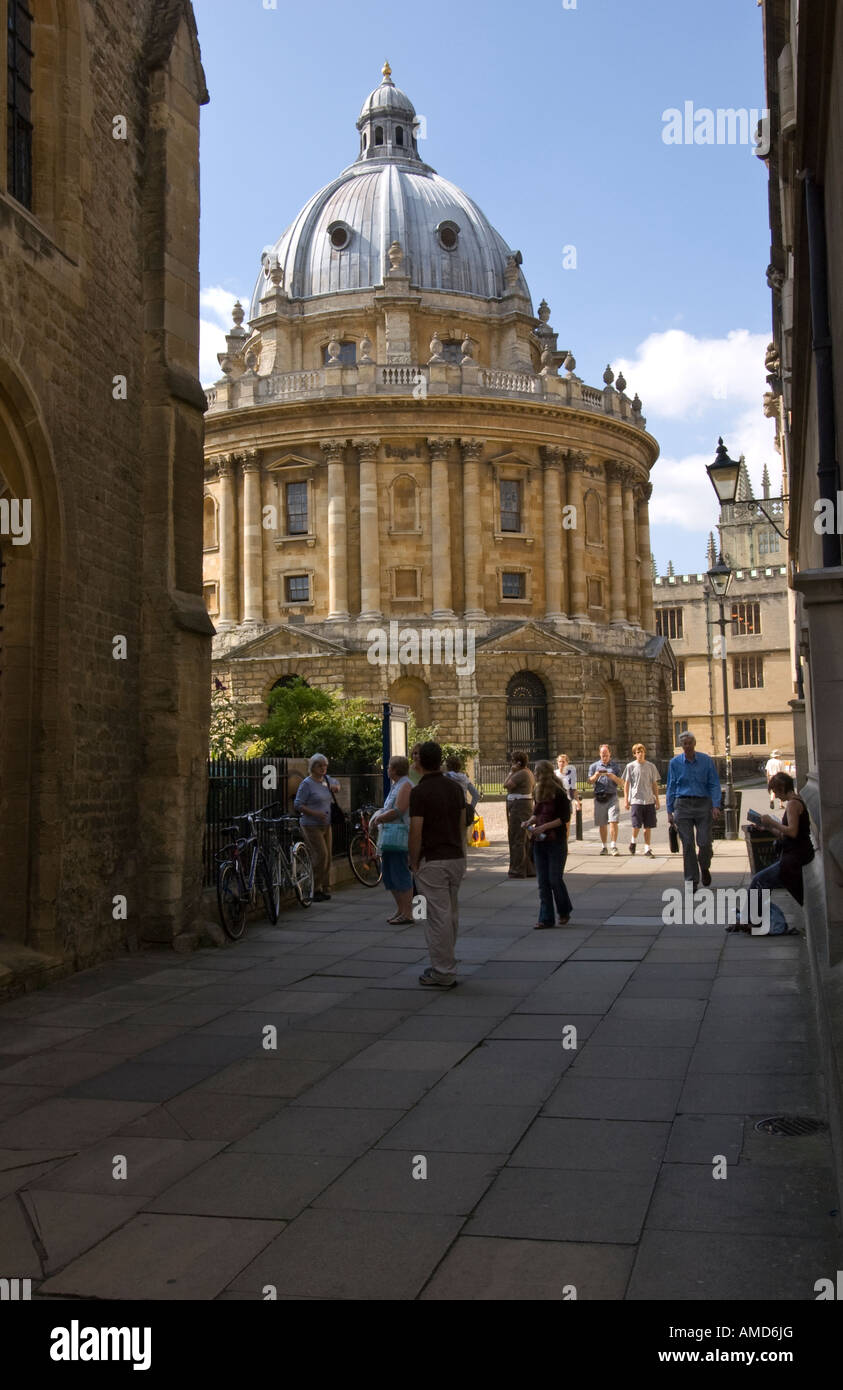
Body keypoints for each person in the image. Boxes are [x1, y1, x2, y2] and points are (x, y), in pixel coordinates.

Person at [408, 741, 467, 988]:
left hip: (433, 860)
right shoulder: (455, 788)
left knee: (437, 917)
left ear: (420, 761)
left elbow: (416, 831)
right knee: (450, 913)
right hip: (456, 857)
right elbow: (463, 823)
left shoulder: (419, 792)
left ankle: (443, 970)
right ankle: (446, 961)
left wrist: (413, 862)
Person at [730, 771, 814, 933]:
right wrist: (767, 827)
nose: (775, 796)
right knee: (760, 882)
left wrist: (771, 822)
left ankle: (752, 920)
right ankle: (752, 919)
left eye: (775, 791)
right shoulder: (795, 802)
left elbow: (792, 832)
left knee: (759, 881)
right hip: (794, 853)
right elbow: (785, 834)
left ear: (782, 788)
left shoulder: (792, 804)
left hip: (795, 857)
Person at [666, 731, 722, 891]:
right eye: (684, 744)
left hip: (703, 804)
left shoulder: (706, 761)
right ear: (681, 745)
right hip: (682, 805)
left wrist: (716, 805)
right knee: (688, 844)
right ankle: (691, 880)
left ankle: (704, 866)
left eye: (690, 743)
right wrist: (669, 811)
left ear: (694, 743)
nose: (687, 746)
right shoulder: (675, 763)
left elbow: (714, 783)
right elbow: (671, 786)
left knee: (704, 842)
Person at [524, 760, 573, 929]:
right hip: (540, 841)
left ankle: (564, 910)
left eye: (537, 771)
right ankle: (546, 918)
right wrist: (529, 822)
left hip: (556, 841)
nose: (535, 774)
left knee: (554, 879)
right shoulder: (538, 790)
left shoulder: (558, 793)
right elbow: (537, 814)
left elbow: (564, 818)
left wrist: (544, 827)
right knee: (543, 882)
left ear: (544, 773)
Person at [369, 755, 413, 924]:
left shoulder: (405, 785)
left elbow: (398, 810)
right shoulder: (397, 785)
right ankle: (400, 909)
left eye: (388, 767)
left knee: (400, 873)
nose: (387, 769)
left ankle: (407, 912)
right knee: (389, 874)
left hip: (399, 835)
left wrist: (379, 818)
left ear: (394, 769)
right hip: (389, 835)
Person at [293, 753, 340, 901]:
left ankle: (323, 888)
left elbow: (337, 784)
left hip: (326, 824)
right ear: (312, 767)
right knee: (321, 855)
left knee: (328, 857)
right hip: (311, 824)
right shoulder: (307, 784)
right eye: (320, 765)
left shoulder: (326, 780)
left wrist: (336, 787)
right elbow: (298, 804)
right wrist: (315, 813)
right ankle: (313, 888)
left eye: (325, 765)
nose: (323, 768)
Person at [623, 743, 661, 856]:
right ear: (634, 754)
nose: (640, 754)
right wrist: (626, 799)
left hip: (648, 799)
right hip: (636, 800)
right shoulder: (630, 766)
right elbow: (626, 784)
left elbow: (654, 784)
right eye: (638, 752)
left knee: (648, 826)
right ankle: (633, 841)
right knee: (636, 825)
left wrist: (657, 799)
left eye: (642, 751)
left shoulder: (651, 766)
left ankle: (647, 848)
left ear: (645, 752)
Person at [588, 744, 624, 855]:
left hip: (612, 796)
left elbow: (621, 783)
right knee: (602, 823)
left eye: (606, 754)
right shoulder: (594, 766)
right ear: (600, 754)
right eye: (603, 755)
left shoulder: (615, 766)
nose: (605, 757)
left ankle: (613, 845)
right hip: (599, 797)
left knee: (613, 821)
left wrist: (613, 777)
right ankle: (604, 846)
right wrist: (596, 776)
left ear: (610, 754)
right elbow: (589, 781)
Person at [504, 752, 536, 877]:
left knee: (517, 837)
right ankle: (528, 868)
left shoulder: (521, 773)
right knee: (524, 837)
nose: (511, 762)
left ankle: (517, 869)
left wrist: (511, 772)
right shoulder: (528, 772)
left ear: (518, 762)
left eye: (512, 760)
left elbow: (506, 785)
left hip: (519, 807)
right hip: (523, 805)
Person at [444, 754, 480, 846]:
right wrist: (470, 808)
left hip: (449, 809)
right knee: (462, 839)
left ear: (448, 766)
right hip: (463, 808)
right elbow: (476, 795)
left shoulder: (446, 777)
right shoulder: (464, 778)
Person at [554, 753, 581, 839]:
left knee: (566, 824)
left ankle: (565, 845)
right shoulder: (554, 774)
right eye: (560, 761)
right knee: (555, 824)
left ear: (567, 763)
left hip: (566, 800)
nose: (561, 763)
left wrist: (577, 801)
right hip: (556, 801)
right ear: (557, 763)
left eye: (563, 762)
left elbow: (574, 789)